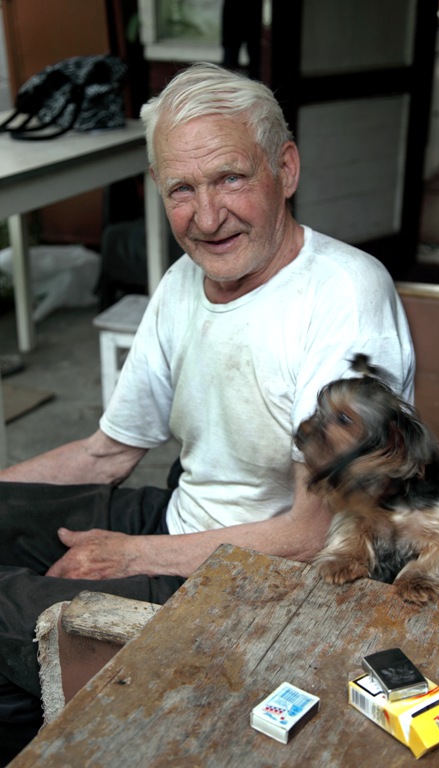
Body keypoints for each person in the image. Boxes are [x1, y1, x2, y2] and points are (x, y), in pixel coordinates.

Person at [0, 62, 414, 762]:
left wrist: (129, 554)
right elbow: (109, 451)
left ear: (285, 168)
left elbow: (313, 533)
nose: (208, 216)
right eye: (181, 190)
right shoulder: (182, 283)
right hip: (184, 522)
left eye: (230, 178)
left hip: (271, 579)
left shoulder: (343, 299)